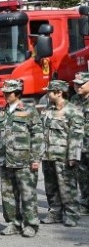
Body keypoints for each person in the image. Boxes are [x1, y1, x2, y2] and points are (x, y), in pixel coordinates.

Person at [0, 79, 43, 237]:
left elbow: (38, 135)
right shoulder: (0, 111)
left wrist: (36, 158)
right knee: (8, 194)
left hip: (24, 161)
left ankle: (31, 224)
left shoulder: (29, 111)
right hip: (4, 160)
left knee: (27, 194)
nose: (5, 94)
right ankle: (13, 222)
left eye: (8, 92)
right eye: (4, 92)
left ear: (18, 93)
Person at [41, 79, 84, 227]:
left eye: (49, 91)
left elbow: (77, 135)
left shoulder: (73, 111)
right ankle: (55, 213)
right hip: (47, 156)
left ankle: (72, 214)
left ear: (59, 92)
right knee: (50, 187)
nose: (47, 94)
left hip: (64, 157)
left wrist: (73, 156)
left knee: (68, 188)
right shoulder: (48, 110)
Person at [71, 72, 89, 214]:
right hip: (80, 145)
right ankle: (85, 203)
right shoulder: (74, 100)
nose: (78, 86)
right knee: (82, 175)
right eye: (76, 84)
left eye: (81, 84)